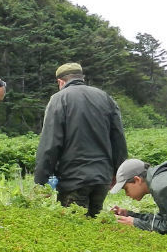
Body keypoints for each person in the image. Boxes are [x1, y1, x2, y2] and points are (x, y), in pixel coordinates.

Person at [33, 62, 128, 216]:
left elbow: (50, 145)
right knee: (94, 228)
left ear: (60, 82)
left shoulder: (59, 99)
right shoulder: (106, 98)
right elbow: (118, 139)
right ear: (81, 77)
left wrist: (40, 183)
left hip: (73, 179)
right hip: (102, 178)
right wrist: (119, 173)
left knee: (74, 230)